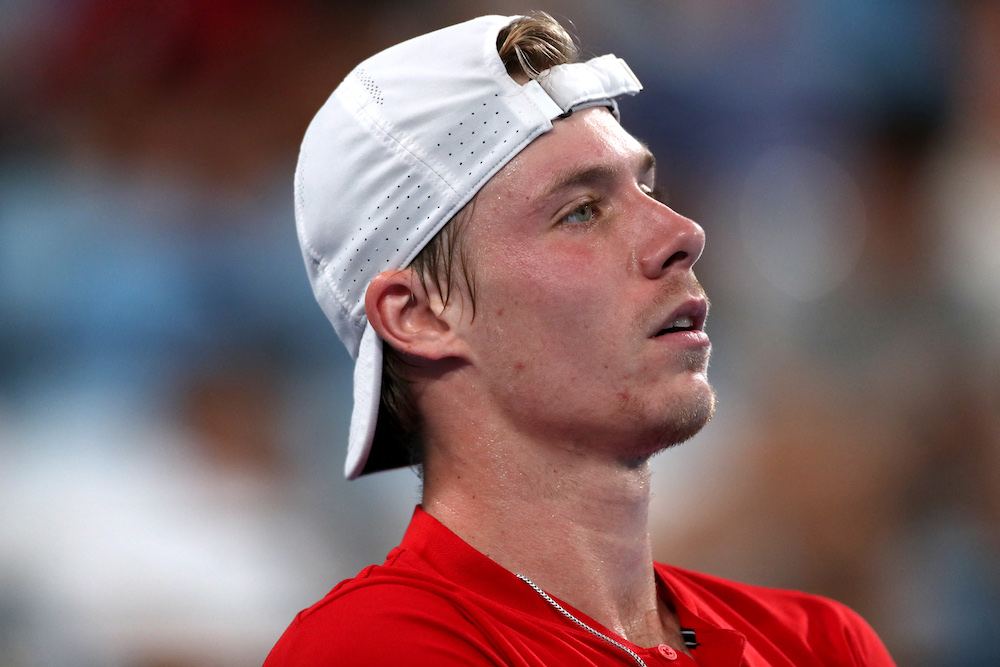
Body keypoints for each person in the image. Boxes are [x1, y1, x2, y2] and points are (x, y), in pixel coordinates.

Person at [265, 13, 896, 666]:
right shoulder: (369, 647)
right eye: (582, 211)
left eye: (648, 186)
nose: (682, 231)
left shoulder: (825, 642)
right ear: (419, 314)